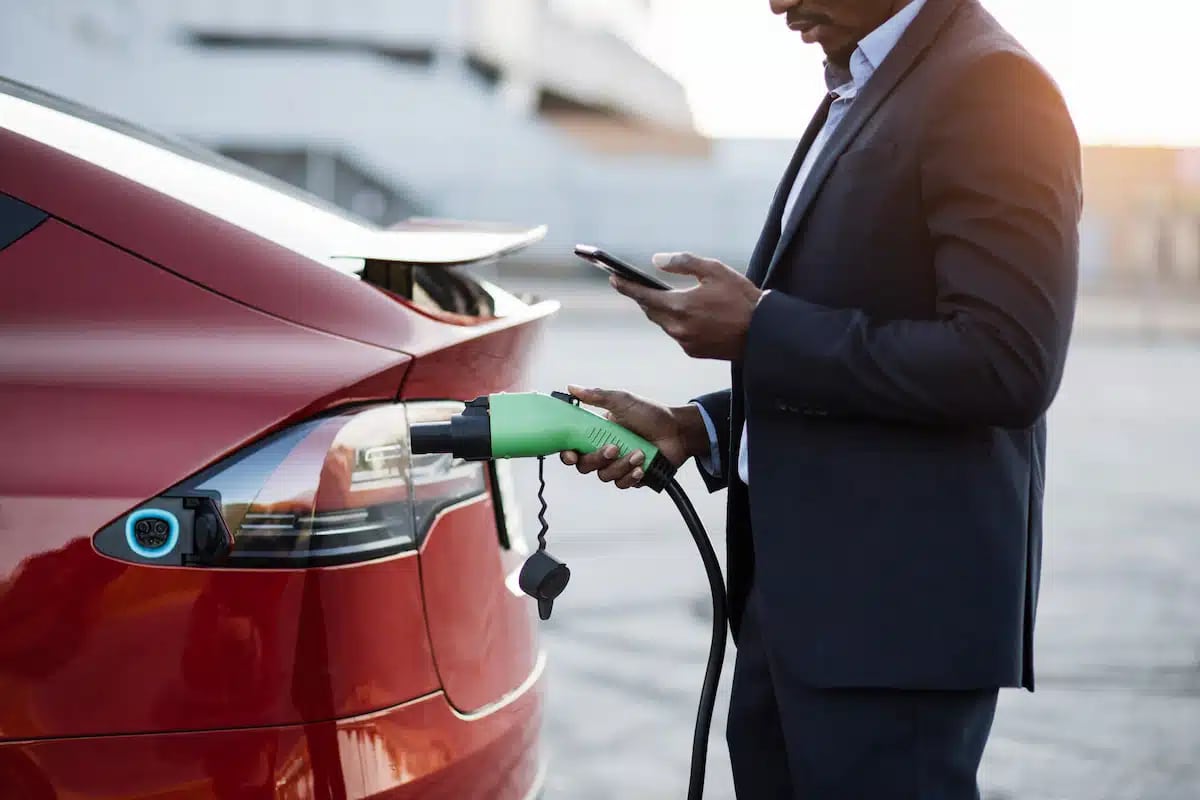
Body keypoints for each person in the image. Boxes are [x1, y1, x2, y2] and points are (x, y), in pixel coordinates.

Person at [560, 0, 1082, 796]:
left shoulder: (992, 86)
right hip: (799, 616)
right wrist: (697, 427)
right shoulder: (864, 85)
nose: (777, 2)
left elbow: (1007, 361)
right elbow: (869, 326)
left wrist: (762, 327)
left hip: (891, 632)